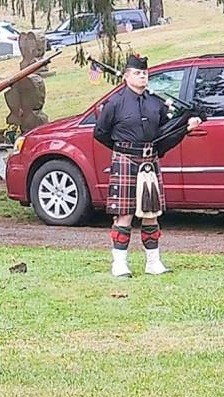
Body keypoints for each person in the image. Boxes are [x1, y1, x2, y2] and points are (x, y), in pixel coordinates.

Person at [93, 55, 202, 277]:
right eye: (137, 73)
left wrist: (186, 126)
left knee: (151, 213)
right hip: (125, 160)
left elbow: (166, 132)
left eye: (144, 73)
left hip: (150, 163)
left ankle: (153, 263)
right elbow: (100, 133)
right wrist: (123, 149)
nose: (142, 76)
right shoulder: (115, 103)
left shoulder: (155, 103)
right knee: (124, 214)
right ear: (126, 76)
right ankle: (119, 264)